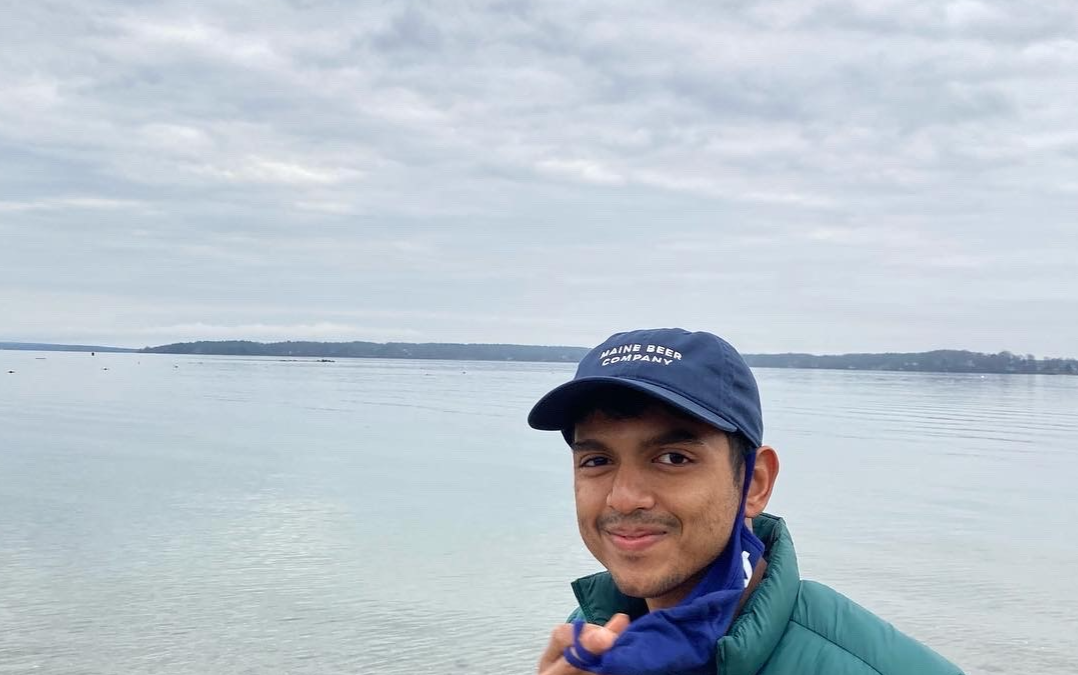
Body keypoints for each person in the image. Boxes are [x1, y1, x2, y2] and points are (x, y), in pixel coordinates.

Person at [527, 328, 963, 675]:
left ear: (754, 483)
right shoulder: (596, 635)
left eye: (673, 458)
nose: (624, 499)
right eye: (597, 460)